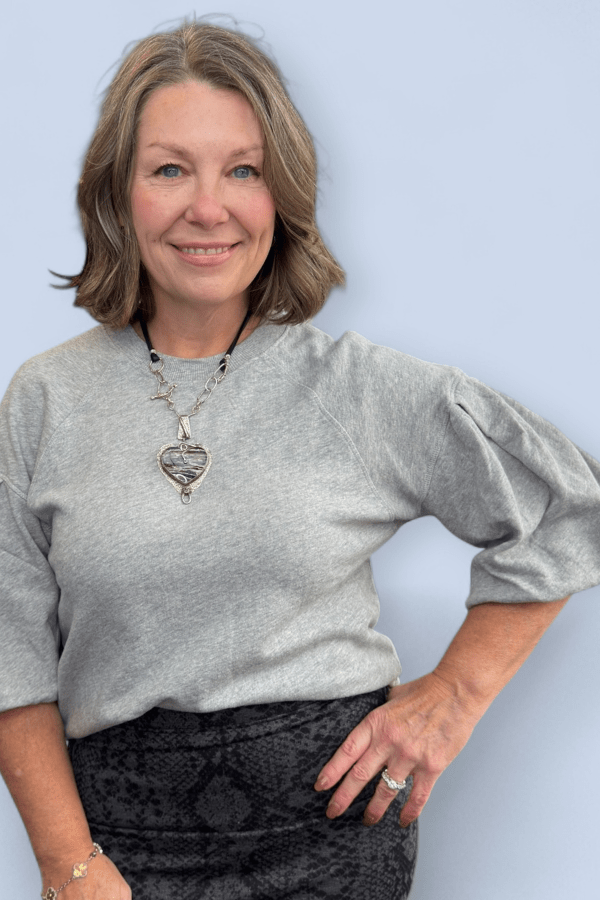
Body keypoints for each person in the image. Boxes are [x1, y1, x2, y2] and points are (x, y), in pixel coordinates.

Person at [1, 19, 599, 900]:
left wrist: (455, 699)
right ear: (116, 194)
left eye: (243, 170)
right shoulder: (42, 400)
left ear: (282, 195)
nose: (210, 208)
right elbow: (9, 651)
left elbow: (570, 506)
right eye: (170, 169)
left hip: (331, 844)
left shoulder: (356, 389)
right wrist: (68, 864)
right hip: (116, 852)